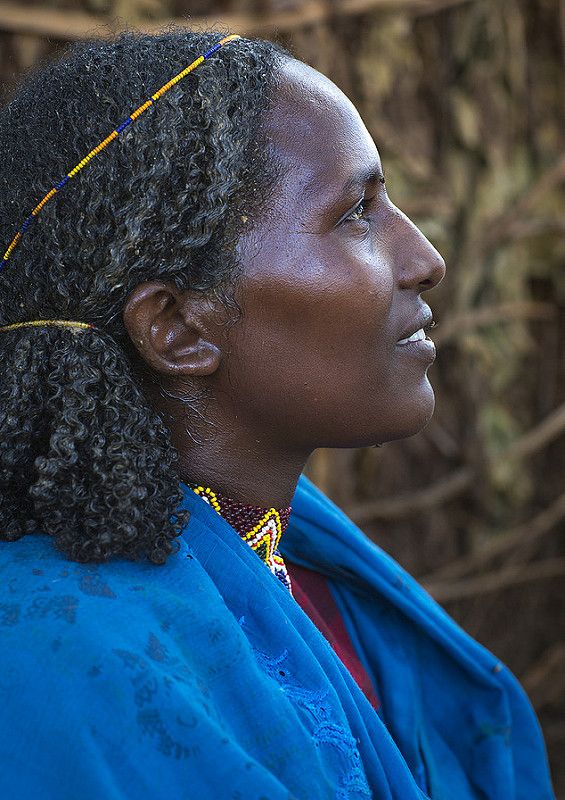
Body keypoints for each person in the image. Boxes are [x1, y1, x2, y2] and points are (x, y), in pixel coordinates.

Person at [0, 27, 554, 800]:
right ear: (178, 328)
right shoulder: (60, 666)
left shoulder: (312, 567)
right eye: (355, 213)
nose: (425, 258)